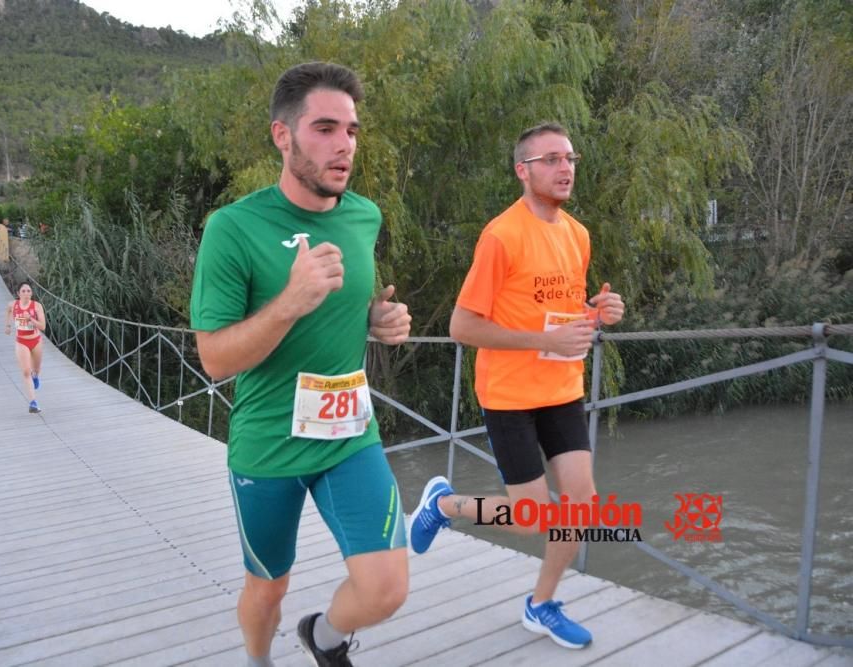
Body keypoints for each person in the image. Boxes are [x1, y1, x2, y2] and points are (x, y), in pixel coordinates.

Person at [190, 62, 413, 667]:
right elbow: (213, 358)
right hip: (268, 445)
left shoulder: (363, 216)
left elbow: (347, 304)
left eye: (352, 130)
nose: (344, 145)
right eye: (324, 128)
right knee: (268, 588)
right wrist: (288, 303)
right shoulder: (232, 229)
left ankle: (325, 636)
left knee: (386, 586)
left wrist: (375, 319)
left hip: (348, 434)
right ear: (282, 136)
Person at [408, 122, 625, 650]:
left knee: (581, 505)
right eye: (550, 159)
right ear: (522, 171)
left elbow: (560, 308)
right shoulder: (501, 235)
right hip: (509, 395)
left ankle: (541, 604)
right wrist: (538, 337)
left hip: (562, 388)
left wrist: (598, 312)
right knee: (530, 519)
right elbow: (462, 326)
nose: (565, 167)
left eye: (569, 157)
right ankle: (443, 506)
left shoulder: (577, 234)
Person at [4, 283, 46, 413]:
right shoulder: (13, 305)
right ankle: (33, 402)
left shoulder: (36, 306)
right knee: (26, 371)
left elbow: (43, 326)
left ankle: (35, 375)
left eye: (29, 291)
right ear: (18, 293)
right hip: (21, 342)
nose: (26, 293)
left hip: (36, 341)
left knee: (36, 369)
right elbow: (8, 311)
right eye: (24, 291)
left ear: (31, 293)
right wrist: (8, 325)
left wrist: (31, 319)